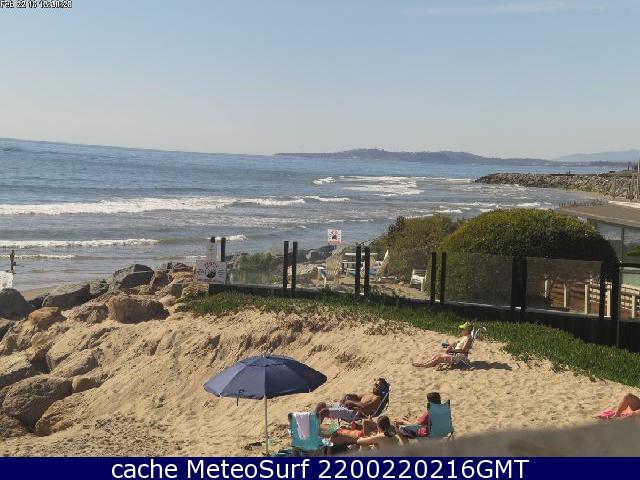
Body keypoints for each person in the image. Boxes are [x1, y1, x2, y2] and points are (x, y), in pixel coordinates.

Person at [316, 378, 389, 421]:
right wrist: (348, 395)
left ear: (382, 390)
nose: (376, 387)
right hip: (348, 408)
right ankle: (312, 426)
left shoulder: (377, 398)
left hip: (354, 414)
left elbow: (365, 408)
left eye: (379, 387)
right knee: (321, 405)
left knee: (324, 412)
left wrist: (352, 403)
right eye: (376, 385)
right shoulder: (369, 393)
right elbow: (357, 397)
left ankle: (314, 435)